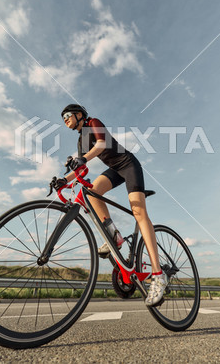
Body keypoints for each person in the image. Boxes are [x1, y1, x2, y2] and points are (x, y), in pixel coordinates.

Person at [55, 104, 167, 307]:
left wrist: (82, 158)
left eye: (68, 116)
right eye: (63, 118)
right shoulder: (81, 139)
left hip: (128, 164)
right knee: (93, 193)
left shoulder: (92, 123)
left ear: (79, 115)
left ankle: (158, 275)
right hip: (114, 170)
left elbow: (101, 144)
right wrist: (64, 180)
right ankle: (114, 235)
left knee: (138, 212)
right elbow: (82, 166)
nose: (65, 120)